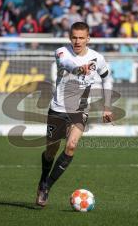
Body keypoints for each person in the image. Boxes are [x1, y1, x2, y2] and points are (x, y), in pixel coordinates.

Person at [36, 21, 113, 207]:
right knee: (51, 152)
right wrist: (79, 69)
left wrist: (107, 106)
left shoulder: (97, 58)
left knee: (71, 146)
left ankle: (46, 187)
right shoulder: (61, 52)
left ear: (88, 38)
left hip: (79, 110)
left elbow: (107, 78)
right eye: (74, 37)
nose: (77, 41)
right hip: (57, 109)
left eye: (81, 38)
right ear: (70, 37)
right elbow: (67, 64)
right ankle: (43, 178)